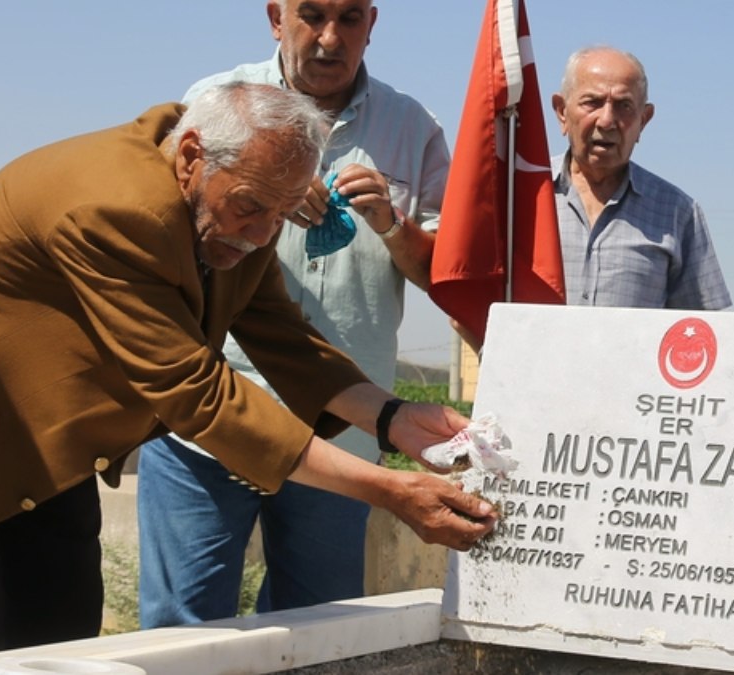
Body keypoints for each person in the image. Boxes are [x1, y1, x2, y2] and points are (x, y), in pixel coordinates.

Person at [0, 82, 494, 665]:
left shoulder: (235, 201)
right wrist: (388, 491)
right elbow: (198, 395)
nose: (263, 234)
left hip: (38, 424)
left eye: (280, 214)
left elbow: (285, 339)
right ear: (189, 160)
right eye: (251, 208)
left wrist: (392, 416)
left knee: (61, 630)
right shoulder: (116, 209)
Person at [135, 0, 450, 627]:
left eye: (350, 19)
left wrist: (392, 224)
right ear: (276, 16)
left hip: (345, 428)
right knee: (182, 631)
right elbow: (163, 233)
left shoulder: (413, 127)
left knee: (318, 634)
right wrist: (269, 181)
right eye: (312, 16)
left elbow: (445, 275)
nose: (330, 38)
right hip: (212, 411)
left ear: (372, 24)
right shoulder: (214, 100)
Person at [550, 46, 731, 310]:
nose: (607, 121)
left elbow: (701, 327)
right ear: (562, 112)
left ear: (643, 121)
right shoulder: (520, 195)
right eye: (592, 103)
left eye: (624, 106)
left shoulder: (677, 212)